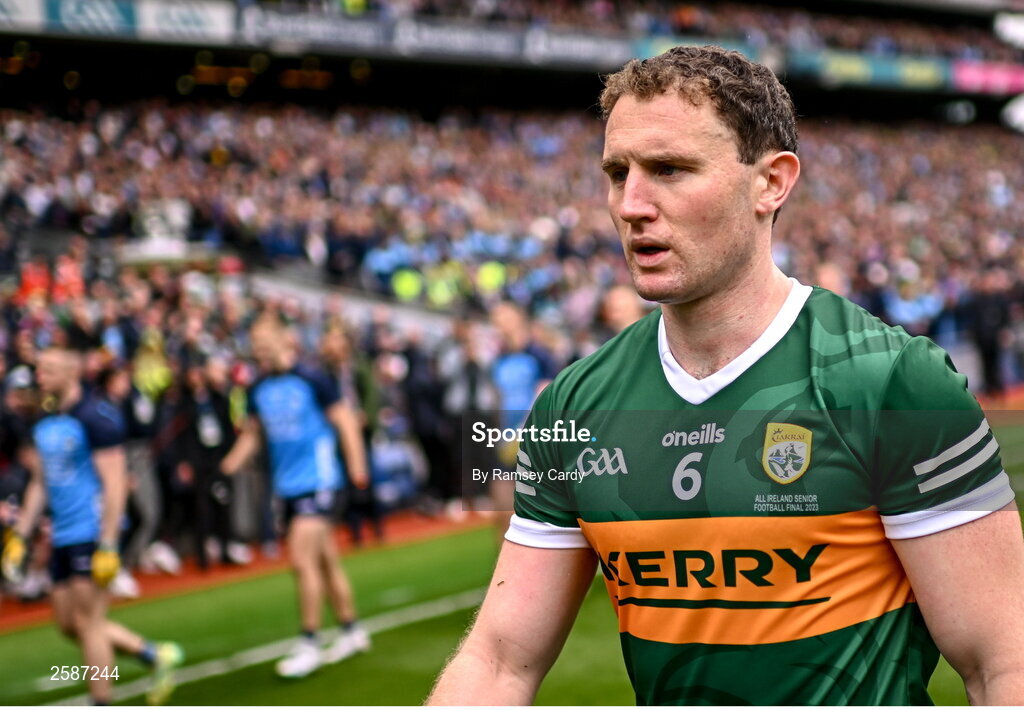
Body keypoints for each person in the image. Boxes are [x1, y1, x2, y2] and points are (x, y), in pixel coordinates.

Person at [428, 46, 1024, 705]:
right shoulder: (576, 405)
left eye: (669, 169)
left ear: (772, 182)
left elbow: (1003, 663)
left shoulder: (891, 383)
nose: (631, 204)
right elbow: (500, 660)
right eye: (616, 171)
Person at [1, 347, 183, 705]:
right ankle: (153, 654)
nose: (40, 377)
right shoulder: (45, 419)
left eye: (48, 370)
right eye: (39, 370)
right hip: (63, 533)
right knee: (69, 624)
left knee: (88, 623)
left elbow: (114, 483)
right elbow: (40, 482)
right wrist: (21, 535)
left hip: (92, 530)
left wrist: (109, 542)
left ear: (72, 372)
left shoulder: (96, 418)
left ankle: (102, 699)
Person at [220, 317, 371, 679]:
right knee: (324, 562)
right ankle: (351, 630)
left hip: (320, 481)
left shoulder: (313, 377)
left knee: (300, 560)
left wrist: (357, 467)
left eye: (264, 340)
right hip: (287, 486)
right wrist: (225, 469)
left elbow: (345, 421)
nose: (259, 348)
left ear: (284, 339)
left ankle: (309, 641)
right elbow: (253, 436)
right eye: (254, 342)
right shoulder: (258, 389)